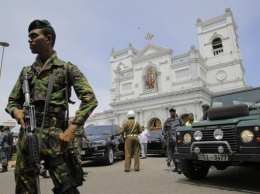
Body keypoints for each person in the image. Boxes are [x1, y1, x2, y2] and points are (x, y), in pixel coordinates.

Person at [5, 19, 98, 194]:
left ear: (48, 38)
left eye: (34, 36)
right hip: (28, 138)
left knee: (68, 189)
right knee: (25, 190)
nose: (29, 40)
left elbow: (90, 99)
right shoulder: (26, 72)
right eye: (29, 37)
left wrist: (71, 130)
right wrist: (15, 110)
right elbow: (12, 101)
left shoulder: (66, 68)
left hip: (56, 139)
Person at [163, 108, 184, 174]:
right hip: (170, 139)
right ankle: (175, 166)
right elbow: (163, 129)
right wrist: (165, 134)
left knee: (177, 152)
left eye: (173, 111)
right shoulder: (167, 121)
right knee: (172, 153)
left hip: (177, 139)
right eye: (171, 111)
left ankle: (179, 167)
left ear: (175, 112)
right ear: (169, 113)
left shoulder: (179, 119)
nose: (172, 112)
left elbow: (183, 127)